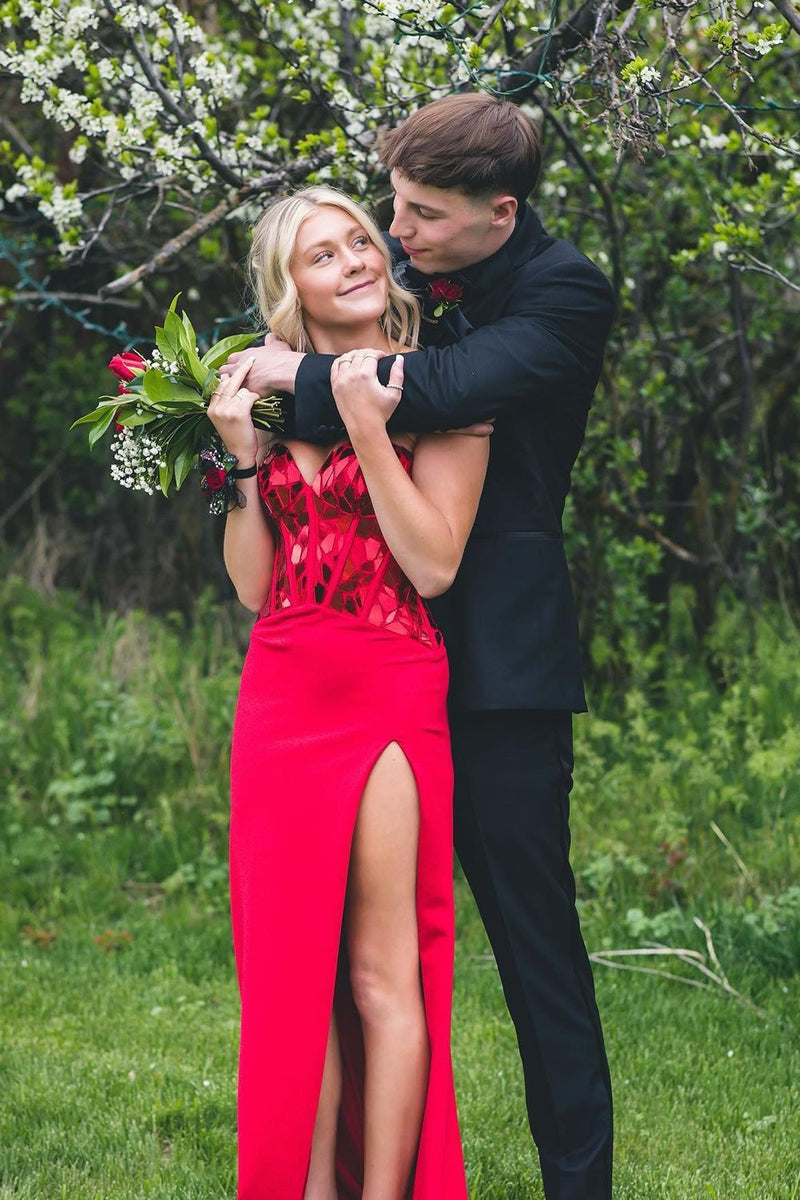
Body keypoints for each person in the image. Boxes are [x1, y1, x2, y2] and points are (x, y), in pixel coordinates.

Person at [223, 93, 615, 1199]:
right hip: (336, 663)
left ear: (498, 213)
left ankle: (576, 1187)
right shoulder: (411, 286)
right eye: (383, 211)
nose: (395, 239)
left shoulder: (560, 294)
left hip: (489, 663)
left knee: (530, 953)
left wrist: (283, 379)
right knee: (332, 955)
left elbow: (436, 392)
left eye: (418, 218)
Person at [208, 185, 488, 1200]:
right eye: (323, 256)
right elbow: (249, 585)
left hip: (387, 682)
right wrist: (241, 464)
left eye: (360, 242)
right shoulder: (255, 396)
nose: (357, 261)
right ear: (292, 290)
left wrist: (370, 428)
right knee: (293, 982)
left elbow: (435, 565)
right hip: (280, 690)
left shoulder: (449, 385)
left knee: (379, 971)